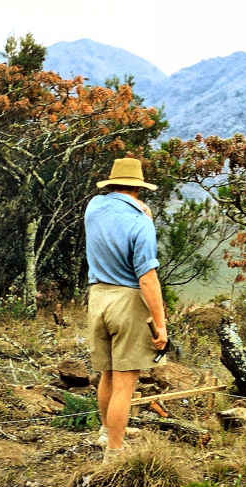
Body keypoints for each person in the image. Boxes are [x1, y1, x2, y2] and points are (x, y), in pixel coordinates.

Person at [84, 157, 167, 460]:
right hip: (127, 301)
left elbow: (111, 207)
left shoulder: (93, 208)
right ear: (138, 189)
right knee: (125, 384)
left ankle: (107, 432)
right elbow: (148, 278)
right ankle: (115, 453)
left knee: (106, 374)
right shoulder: (140, 222)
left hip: (98, 297)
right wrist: (161, 324)